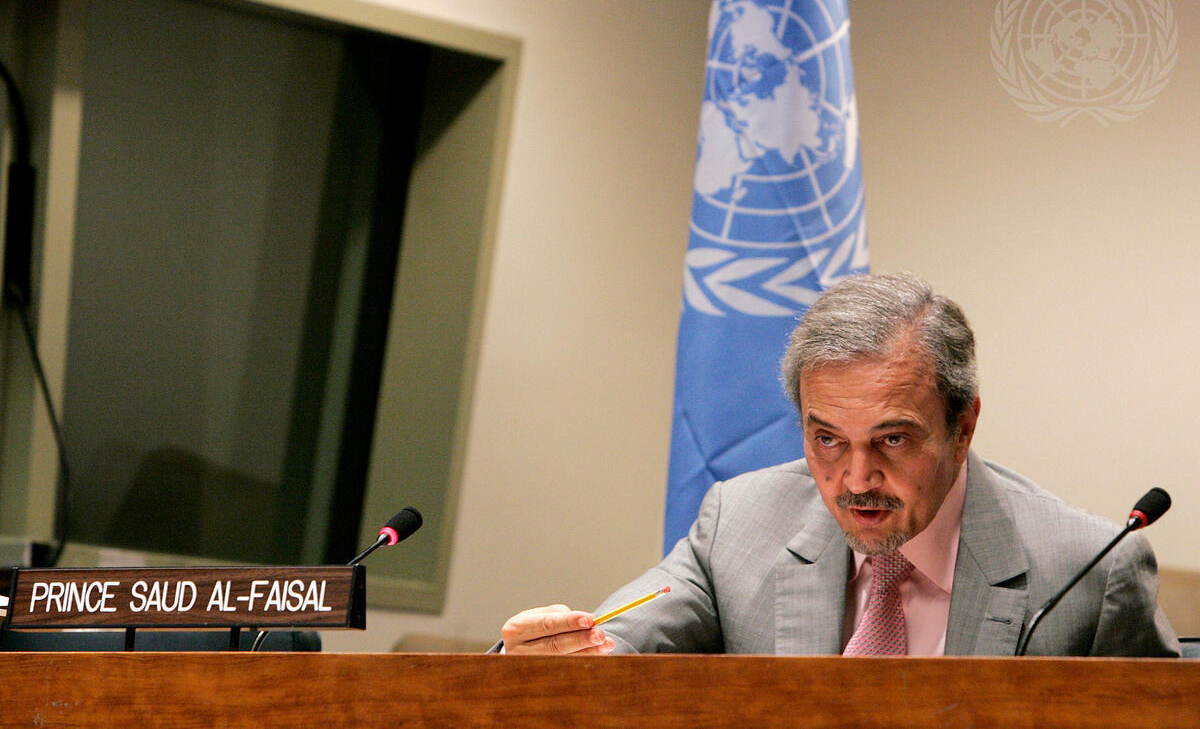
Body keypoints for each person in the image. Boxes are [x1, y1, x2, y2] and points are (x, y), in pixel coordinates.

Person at [498, 272, 1179, 657]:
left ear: (963, 426)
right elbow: (625, 635)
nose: (856, 481)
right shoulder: (741, 524)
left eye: (892, 440)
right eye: (827, 439)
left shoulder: (1090, 571)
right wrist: (566, 654)